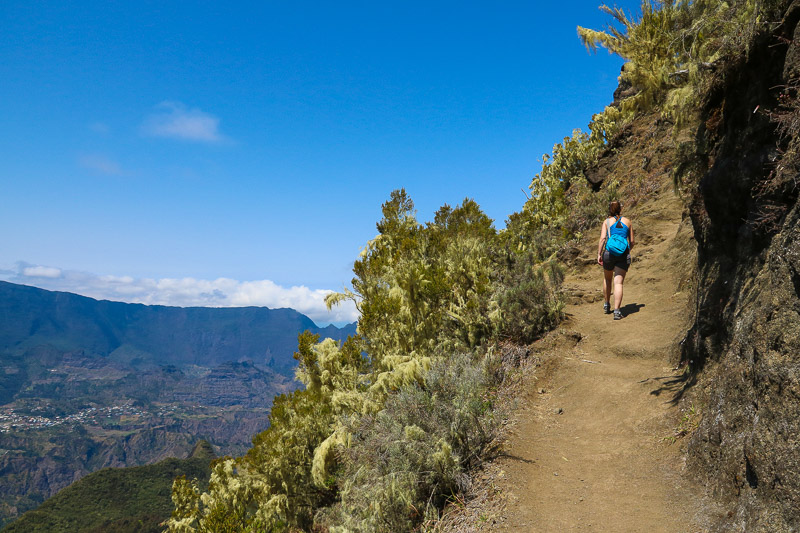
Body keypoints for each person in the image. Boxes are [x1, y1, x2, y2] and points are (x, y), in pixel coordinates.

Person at [597, 200, 635, 320]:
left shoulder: (606, 222)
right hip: (623, 254)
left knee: (607, 279)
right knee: (618, 282)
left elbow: (603, 239)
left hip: (608, 253)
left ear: (610, 209)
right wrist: (627, 249)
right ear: (621, 209)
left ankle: (607, 304)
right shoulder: (628, 221)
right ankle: (617, 311)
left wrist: (599, 254)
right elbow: (632, 241)